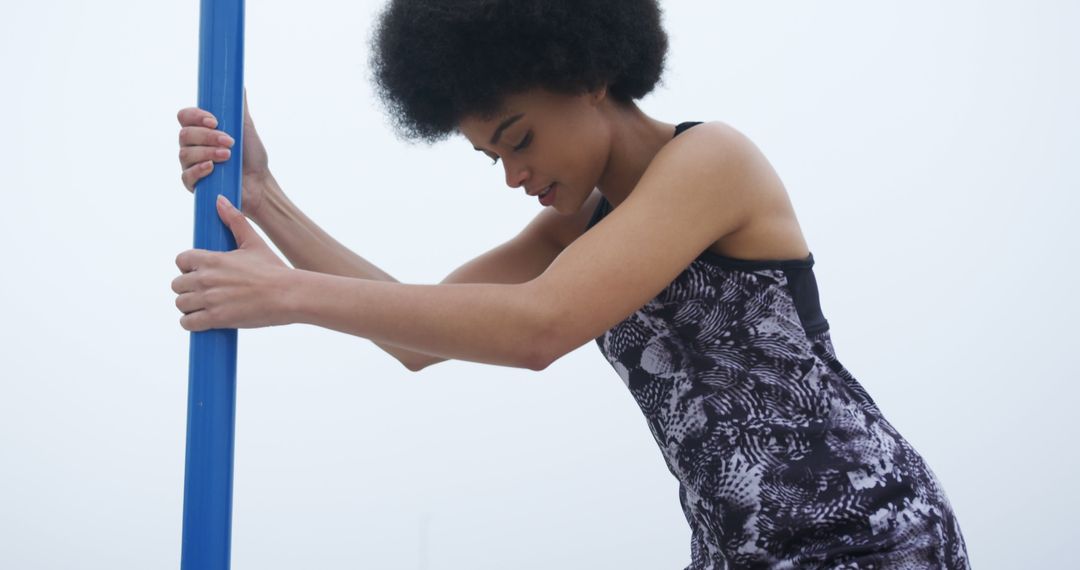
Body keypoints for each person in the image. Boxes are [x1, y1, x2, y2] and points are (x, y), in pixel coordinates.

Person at [171, 1, 971, 567]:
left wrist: (287, 295)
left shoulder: (712, 160)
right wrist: (265, 194)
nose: (514, 175)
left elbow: (537, 329)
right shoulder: (577, 226)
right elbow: (409, 336)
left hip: (864, 536)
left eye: (520, 139)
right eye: (493, 157)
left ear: (587, 75)